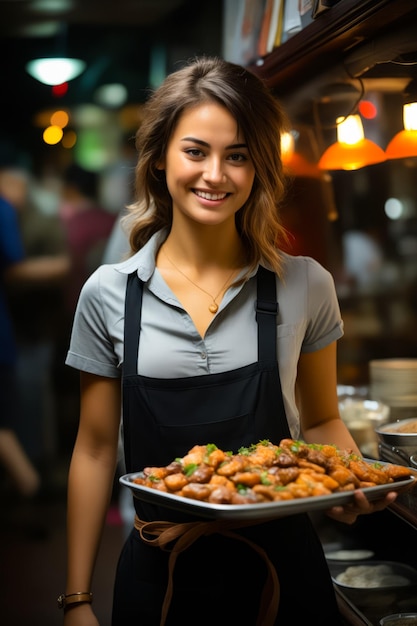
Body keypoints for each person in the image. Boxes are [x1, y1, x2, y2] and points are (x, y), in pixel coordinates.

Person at [62, 56, 398, 626]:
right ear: (160, 158)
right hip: (159, 571)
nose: (215, 175)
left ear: (259, 167)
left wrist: (350, 481)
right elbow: (95, 450)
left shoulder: (307, 284)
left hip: (284, 572)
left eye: (237, 155)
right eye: (196, 151)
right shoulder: (109, 294)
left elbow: (319, 423)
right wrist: (76, 599)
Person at [0, 164, 69, 500]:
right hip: (13, 326)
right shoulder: (9, 214)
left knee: (30, 403)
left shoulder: (40, 221)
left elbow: (62, 265)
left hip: (31, 327)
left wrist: (14, 275)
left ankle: (35, 475)